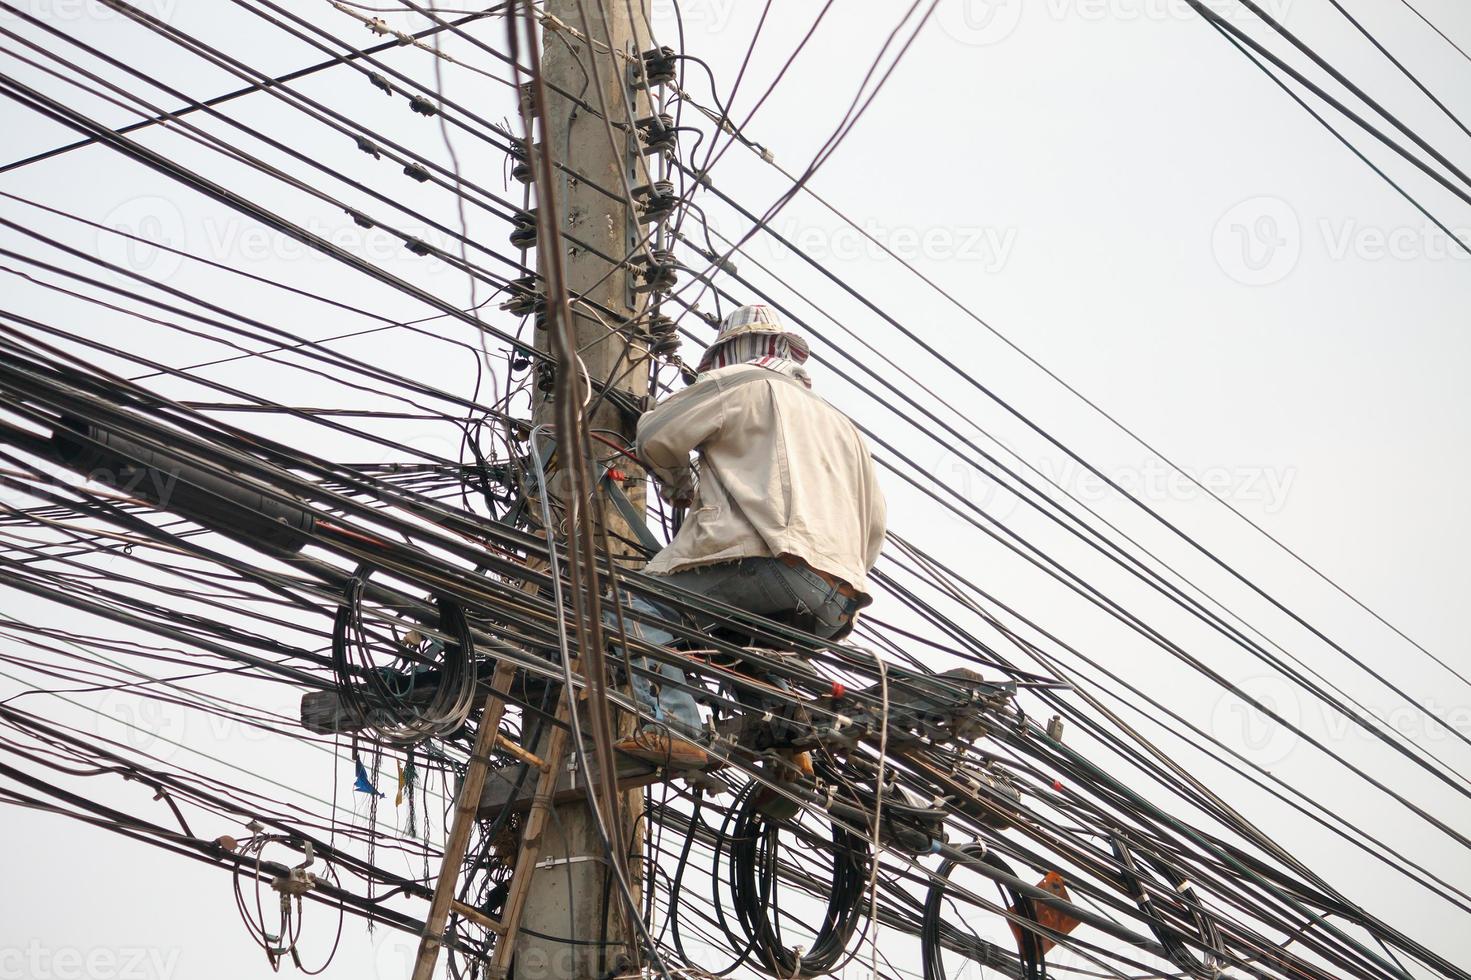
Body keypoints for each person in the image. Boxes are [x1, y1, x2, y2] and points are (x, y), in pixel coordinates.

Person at [612, 304, 887, 768]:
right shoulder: (844, 428)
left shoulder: (741, 381)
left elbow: (657, 434)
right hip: (837, 599)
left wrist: (678, 482)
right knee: (730, 638)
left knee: (634, 606)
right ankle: (788, 741)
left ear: (732, 351)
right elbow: (875, 527)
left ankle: (675, 728)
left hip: (769, 561)